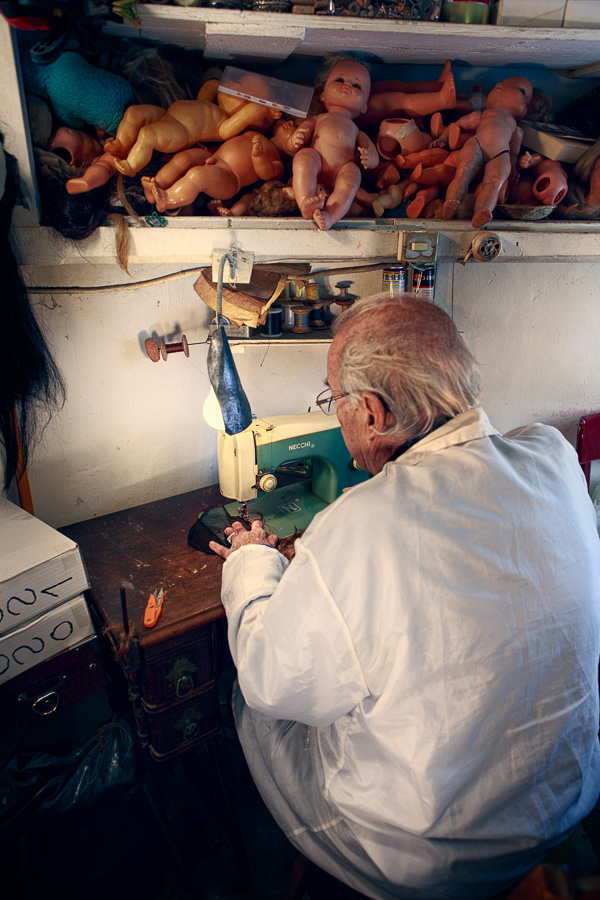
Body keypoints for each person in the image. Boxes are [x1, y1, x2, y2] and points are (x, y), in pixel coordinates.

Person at [209, 293, 600, 900]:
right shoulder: (553, 459)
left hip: (422, 859)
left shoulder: (361, 524)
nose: (334, 415)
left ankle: (256, 864)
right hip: (563, 800)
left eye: (332, 400)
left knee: (246, 696)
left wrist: (253, 561)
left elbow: (270, 680)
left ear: (370, 412)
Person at [289, 59, 379, 231]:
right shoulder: (318, 119)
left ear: (364, 107)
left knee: (353, 173)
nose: (347, 85)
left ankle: (331, 215)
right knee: (303, 156)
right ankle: (305, 203)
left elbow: (373, 155)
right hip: (317, 161)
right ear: (323, 95)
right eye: (340, 80)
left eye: (357, 86)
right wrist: (295, 141)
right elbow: (292, 146)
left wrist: (370, 158)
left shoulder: (356, 130)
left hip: (341, 170)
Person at [442, 76, 533, 227]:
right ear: (499, 87)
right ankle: (452, 202)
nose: (525, 101)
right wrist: (442, 138)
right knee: (464, 171)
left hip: (501, 153)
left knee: (494, 184)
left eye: (528, 102)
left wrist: (514, 167)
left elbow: (514, 153)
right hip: (478, 144)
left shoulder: (516, 129)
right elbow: (457, 124)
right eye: (522, 92)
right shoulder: (484, 114)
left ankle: (482, 211)